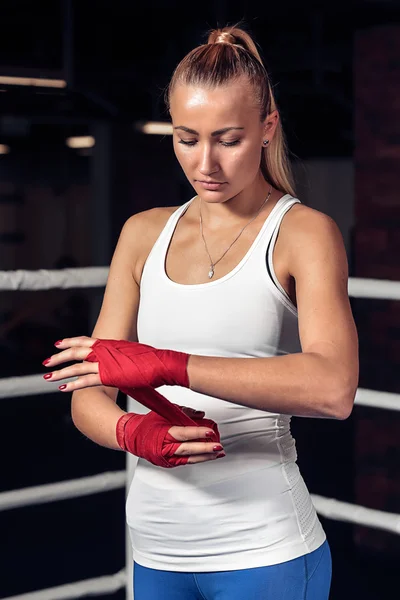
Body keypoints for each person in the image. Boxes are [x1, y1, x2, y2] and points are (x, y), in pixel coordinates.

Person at [42, 24, 359, 600]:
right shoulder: (143, 234)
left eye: (228, 139)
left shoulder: (303, 233)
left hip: (264, 550)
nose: (205, 162)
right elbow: (89, 390)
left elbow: (333, 387)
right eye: (186, 138)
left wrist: (168, 364)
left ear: (267, 127)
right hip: (157, 551)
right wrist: (129, 431)